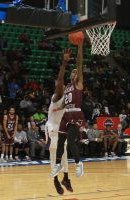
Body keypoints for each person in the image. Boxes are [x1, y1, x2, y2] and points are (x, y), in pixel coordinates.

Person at [50, 39, 85, 178]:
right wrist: (58, 109)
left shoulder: (79, 83)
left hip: (76, 114)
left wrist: (80, 46)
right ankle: (58, 165)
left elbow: (79, 63)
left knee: (71, 142)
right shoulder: (67, 87)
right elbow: (65, 101)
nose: (74, 72)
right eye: (73, 72)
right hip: (66, 114)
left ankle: (78, 164)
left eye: (76, 72)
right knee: (60, 141)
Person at [45, 49, 73, 194]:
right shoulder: (56, 96)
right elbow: (61, 79)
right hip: (52, 127)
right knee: (55, 153)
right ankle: (55, 180)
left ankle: (66, 178)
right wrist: (64, 62)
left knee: (64, 154)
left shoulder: (67, 100)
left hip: (61, 128)